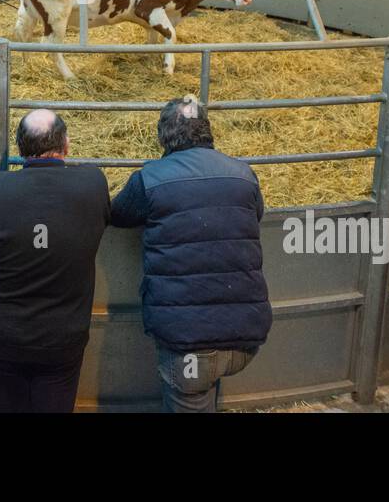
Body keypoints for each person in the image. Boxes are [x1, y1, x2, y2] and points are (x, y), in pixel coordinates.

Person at [111, 96, 271, 412]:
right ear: (208, 131)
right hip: (244, 340)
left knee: (192, 393)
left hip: (188, 347)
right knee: (206, 383)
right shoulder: (243, 174)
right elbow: (256, 213)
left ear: (162, 137)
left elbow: (118, 215)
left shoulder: (150, 179)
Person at [0, 109, 109, 413]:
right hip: (61, 339)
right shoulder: (93, 184)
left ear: (20, 149)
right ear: (67, 144)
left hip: (2, 335)